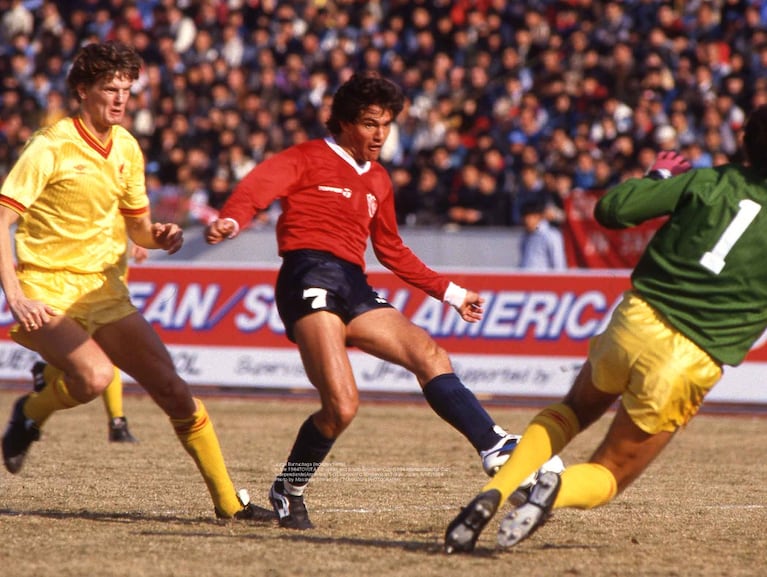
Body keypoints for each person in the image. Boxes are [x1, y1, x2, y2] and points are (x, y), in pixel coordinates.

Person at [206, 72, 558, 530]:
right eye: (371, 124)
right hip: (307, 275)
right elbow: (256, 188)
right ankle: (289, 488)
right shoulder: (308, 156)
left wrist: (450, 293)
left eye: (387, 125)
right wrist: (232, 221)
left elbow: (391, 249)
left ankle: (494, 445)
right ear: (346, 123)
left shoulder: (379, 180)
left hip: (353, 284)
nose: (380, 135)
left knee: (430, 353)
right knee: (342, 407)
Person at [444, 105, 767, 554]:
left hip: (636, 320)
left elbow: (613, 210)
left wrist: (655, 177)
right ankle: (553, 491)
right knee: (610, 473)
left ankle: (493, 493)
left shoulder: (708, 180)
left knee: (572, 410)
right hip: (688, 359)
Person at [0, 41, 256, 520]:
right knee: (94, 377)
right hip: (46, 290)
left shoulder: (128, 147)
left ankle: (229, 505)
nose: (120, 99)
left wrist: (159, 236)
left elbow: (138, 227)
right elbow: (2, 219)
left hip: (104, 291)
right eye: (108, 89)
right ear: (82, 91)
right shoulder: (49, 145)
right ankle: (32, 413)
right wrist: (13, 293)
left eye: (126, 89)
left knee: (174, 391)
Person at [30, 242, 147, 443]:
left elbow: (127, 213)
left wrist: (138, 236)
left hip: (110, 259)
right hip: (80, 260)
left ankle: (46, 377)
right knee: (103, 350)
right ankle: (117, 422)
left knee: (104, 350)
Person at [517, 198, 567, 270]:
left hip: (544, 279)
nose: (526, 221)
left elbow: (558, 264)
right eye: (524, 218)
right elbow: (524, 261)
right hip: (525, 279)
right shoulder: (525, 237)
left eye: (529, 218)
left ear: (538, 217)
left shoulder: (551, 235)